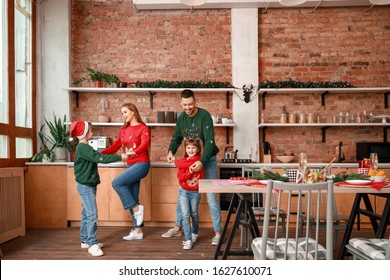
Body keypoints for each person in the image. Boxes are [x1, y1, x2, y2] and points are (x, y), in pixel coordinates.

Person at [163, 89, 222, 246]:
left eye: (190, 104)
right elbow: (176, 137)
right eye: (185, 105)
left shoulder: (204, 116)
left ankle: (218, 233)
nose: (188, 107)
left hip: (207, 161)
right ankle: (178, 228)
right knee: (182, 192)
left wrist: (202, 161)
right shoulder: (181, 118)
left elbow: (209, 142)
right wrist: (170, 151)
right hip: (190, 161)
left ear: (195, 101)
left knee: (211, 197)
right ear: (181, 103)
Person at [70, 120, 127, 257]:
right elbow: (99, 158)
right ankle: (92, 244)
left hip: (87, 185)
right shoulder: (83, 148)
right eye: (90, 130)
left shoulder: (83, 147)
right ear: (83, 133)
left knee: (86, 213)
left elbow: (97, 157)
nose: (92, 132)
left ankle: (85, 240)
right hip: (86, 186)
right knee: (92, 214)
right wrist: (120, 157)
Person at [101, 103, 150, 241]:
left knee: (117, 183)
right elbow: (116, 145)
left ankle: (136, 209)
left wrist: (135, 151)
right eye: (122, 113)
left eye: (125, 112)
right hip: (130, 165)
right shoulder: (123, 130)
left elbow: (144, 144)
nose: (123, 115)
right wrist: (99, 154)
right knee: (132, 197)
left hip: (141, 164)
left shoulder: (143, 128)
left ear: (133, 112)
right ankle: (138, 231)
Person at [174, 138, 204, 250]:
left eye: (193, 147)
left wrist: (177, 163)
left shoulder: (198, 160)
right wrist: (189, 172)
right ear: (185, 149)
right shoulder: (183, 161)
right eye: (188, 148)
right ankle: (188, 239)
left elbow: (182, 165)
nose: (191, 150)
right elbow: (180, 177)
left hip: (195, 192)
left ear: (198, 149)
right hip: (183, 191)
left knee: (194, 213)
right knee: (186, 215)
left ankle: (194, 233)